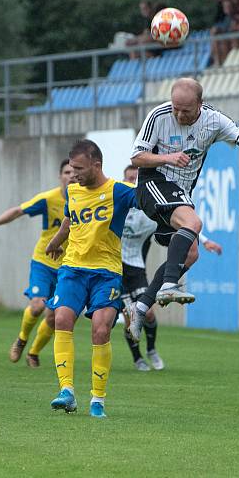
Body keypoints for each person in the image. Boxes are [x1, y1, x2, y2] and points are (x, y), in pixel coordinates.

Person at [127, 78, 239, 342]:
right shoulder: (158, 115)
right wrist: (168, 157)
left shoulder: (214, 121)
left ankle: (140, 307)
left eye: (185, 110)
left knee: (190, 254)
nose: (178, 114)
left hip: (180, 193)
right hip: (153, 182)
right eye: (176, 107)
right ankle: (168, 287)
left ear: (200, 104)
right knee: (193, 223)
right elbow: (136, 157)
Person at [44, 139, 138, 419]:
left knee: (101, 329)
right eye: (71, 168)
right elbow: (70, 220)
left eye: (79, 169)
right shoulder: (73, 191)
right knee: (61, 319)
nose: (74, 175)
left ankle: (97, 399)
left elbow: (148, 200)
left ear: (97, 165)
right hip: (73, 268)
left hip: (106, 272)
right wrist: (56, 241)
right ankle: (67, 391)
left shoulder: (119, 192)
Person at [119, 165, 221, 372]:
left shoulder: (146, 211)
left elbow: (181, 223)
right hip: (114, 269)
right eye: (128, 179)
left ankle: (151, 350)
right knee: (123, 317)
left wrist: (205, 240)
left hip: (136, 268)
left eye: (135, 179)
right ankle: (137, 358)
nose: (132, 183)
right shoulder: (117, 206)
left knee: (148, 315)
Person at [0, 159, 75, 368]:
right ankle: (22, 339)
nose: (71, 176)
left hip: (68, 267)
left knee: (54, 317)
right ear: (60, 176)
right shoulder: (48, 199)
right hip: (43, 261)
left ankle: (33, 353)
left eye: (74, 172)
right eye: (66, 172)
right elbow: (18, 211)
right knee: (37, 306)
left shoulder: (86, 200)